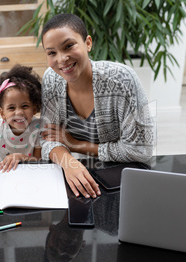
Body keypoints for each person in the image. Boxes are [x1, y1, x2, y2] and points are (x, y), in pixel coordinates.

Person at [40, 14, 155, 198]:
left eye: (69, 46)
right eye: (51, 53)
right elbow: (48, 138)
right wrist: (68, 161)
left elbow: (140, 150)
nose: (61, 59)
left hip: (123, 177)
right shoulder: (51, 79)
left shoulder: (122, 80)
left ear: (88, 43)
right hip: (77, 175)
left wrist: (75, 144)